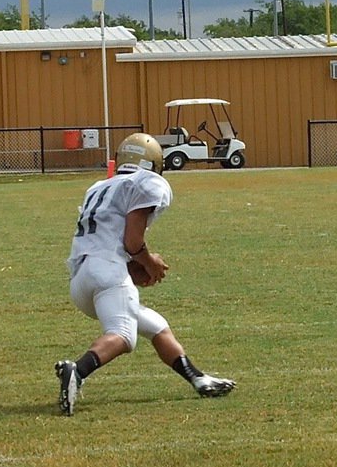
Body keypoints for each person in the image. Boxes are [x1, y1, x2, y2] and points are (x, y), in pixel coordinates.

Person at [55, 132, 235, 416]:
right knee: (124, 335)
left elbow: (106, 239)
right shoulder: (148, 182)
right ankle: (77, 370)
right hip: (106, 272)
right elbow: (132, 240)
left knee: (155, 324)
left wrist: (130, 268)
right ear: (152, 161)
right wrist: (149, 262)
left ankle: (198, 378)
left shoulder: (99, 186)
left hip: (81, 277)